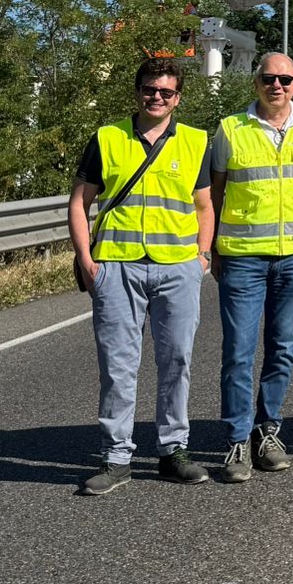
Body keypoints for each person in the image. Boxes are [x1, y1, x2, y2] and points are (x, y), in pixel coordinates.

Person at [68, 58, 213, 495]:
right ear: (138, 92)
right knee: (118, 366)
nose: (157, 97)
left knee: (177, 362)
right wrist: (86, 260)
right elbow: (79, 203)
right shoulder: (108, 138)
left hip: (177, 268)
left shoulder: (194, 141)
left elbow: (205, 205)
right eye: (150, 90)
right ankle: (116, 457)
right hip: (117, 266)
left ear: (178, 98)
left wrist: (202, 257)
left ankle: (173, 451)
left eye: (166, 92)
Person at [211, 52, 293, 483]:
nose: (276, 85)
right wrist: (214, 249)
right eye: (268, 78)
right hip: (242, 256)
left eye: (285, 79)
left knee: (282, 348)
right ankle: (237, 439)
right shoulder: (230, 129)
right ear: (256, 82)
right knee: (238, 351)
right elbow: (215, 193)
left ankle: (267, 430)